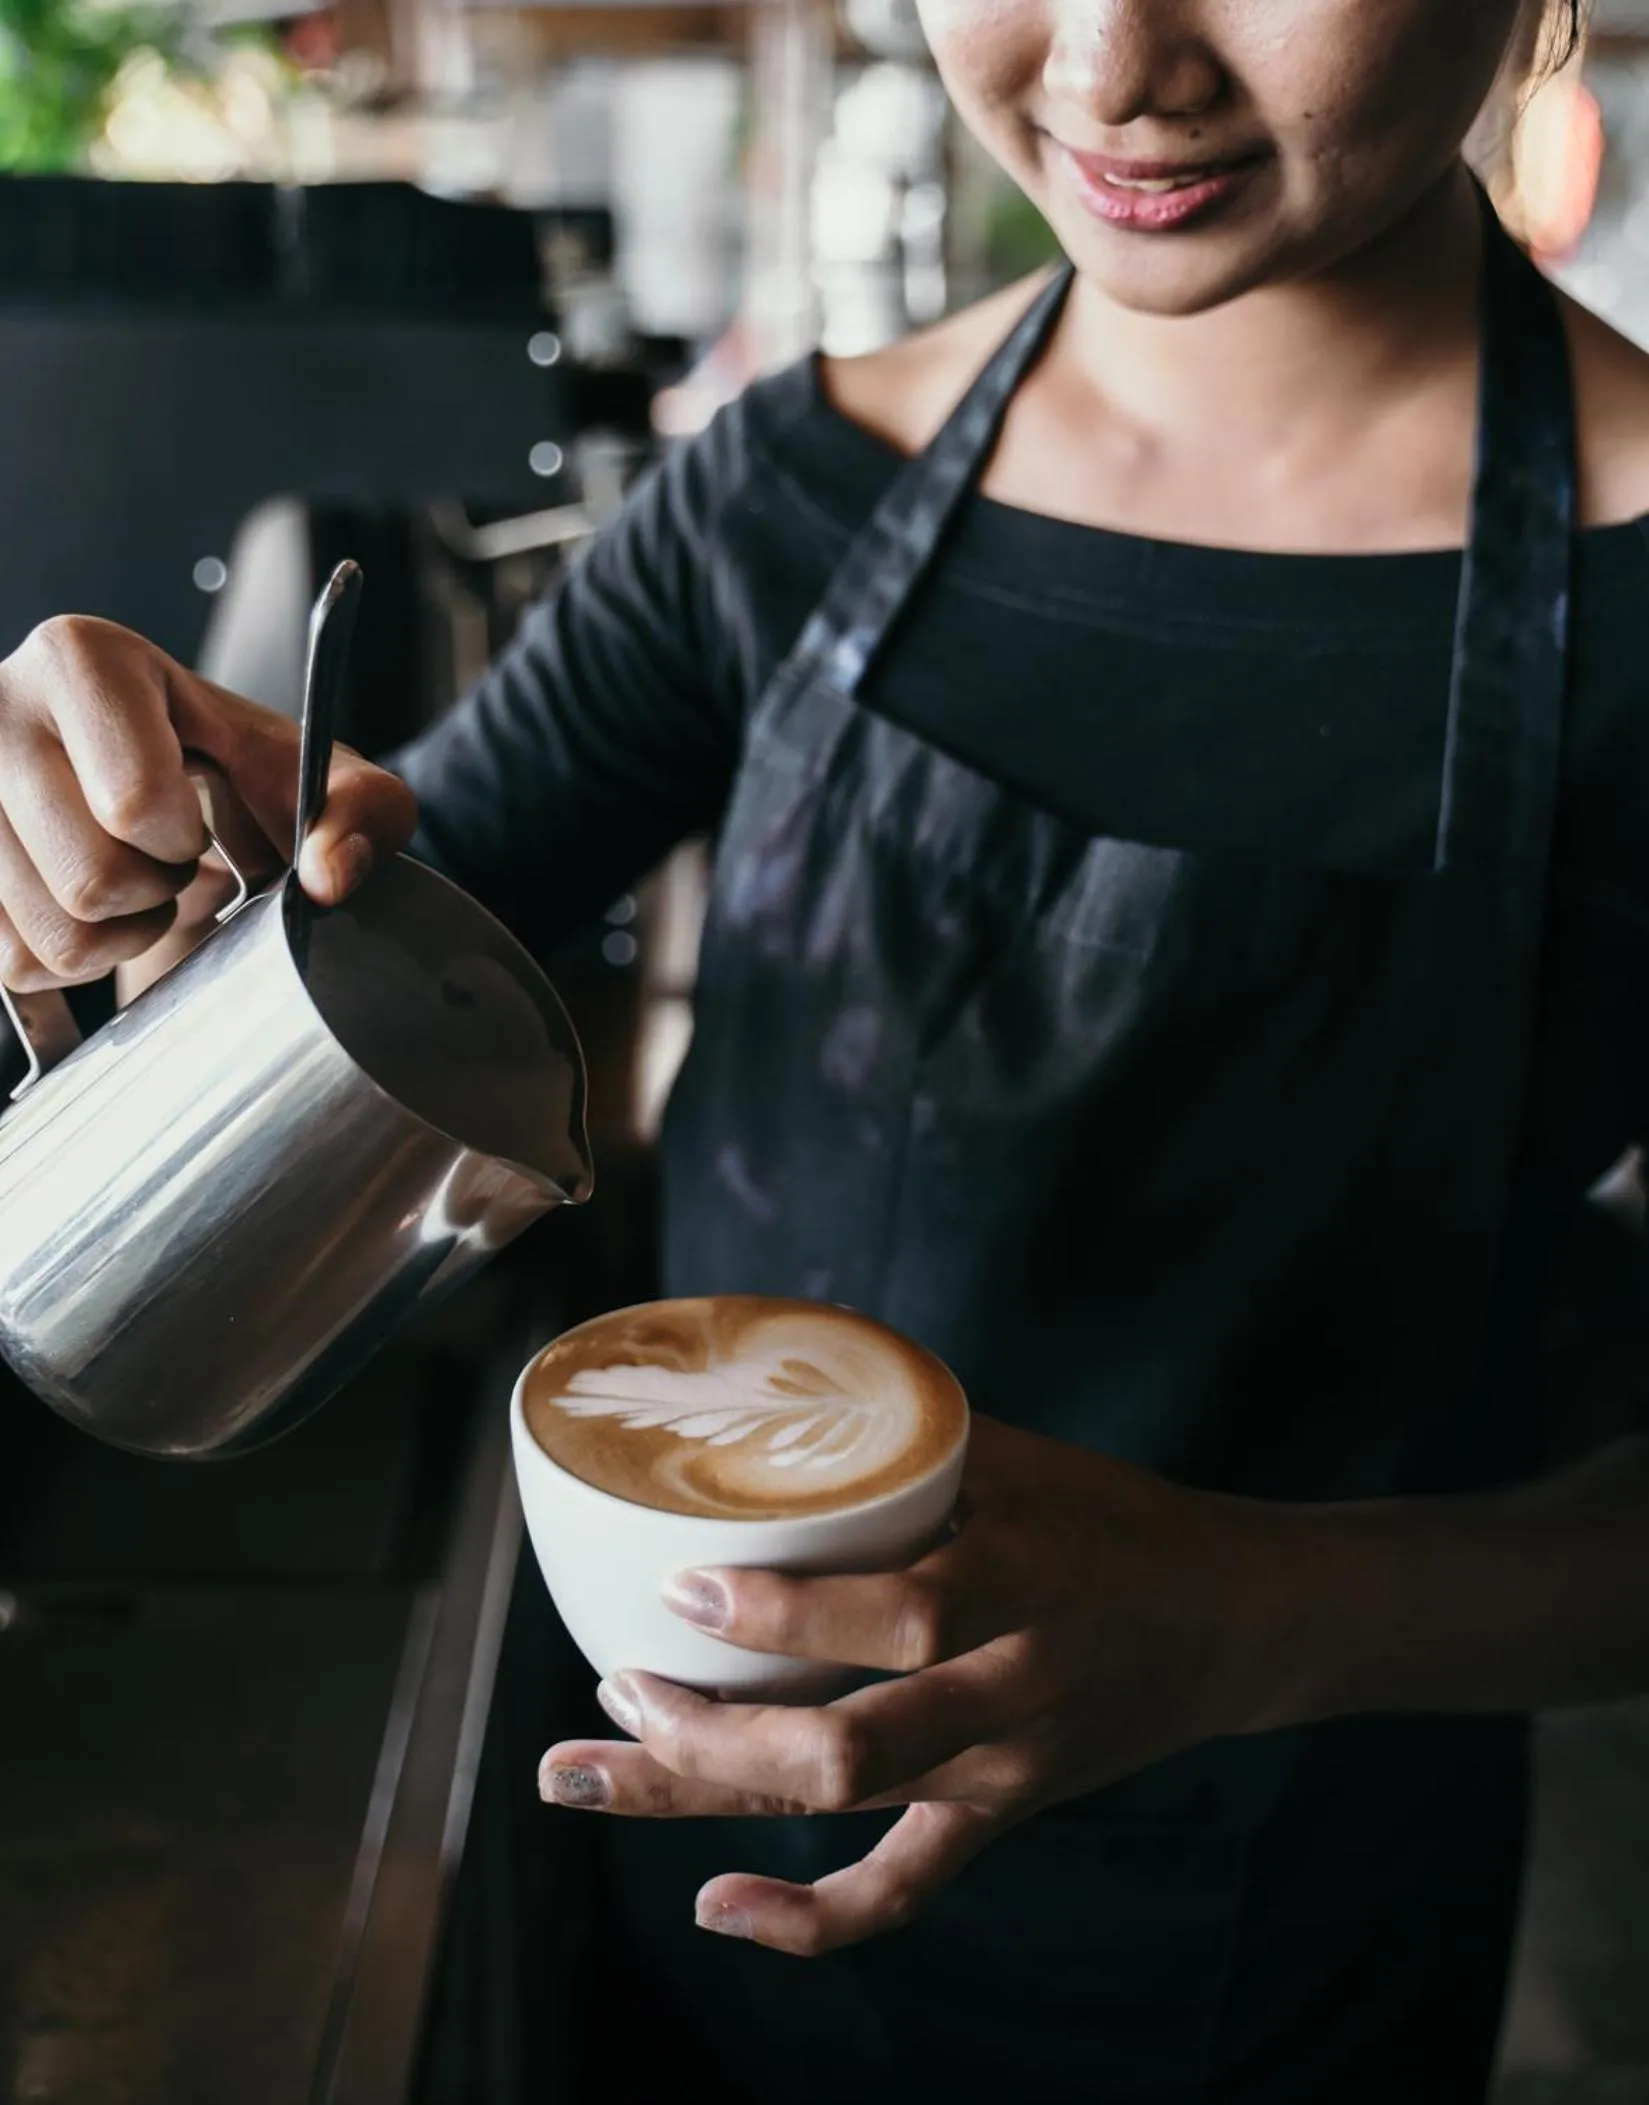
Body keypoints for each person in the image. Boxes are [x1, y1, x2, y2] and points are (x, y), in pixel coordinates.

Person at [3, 0, 1649, 2095]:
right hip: (669, 1877)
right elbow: (366, 946)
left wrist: (1258, 1613)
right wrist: (144, 860)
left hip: (1258, 1964)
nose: (1110, 67)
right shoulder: (785, 495)